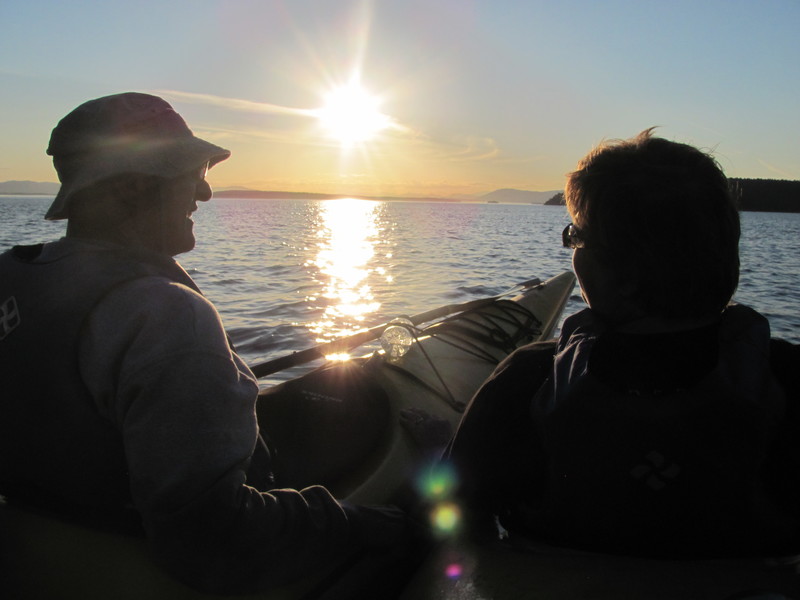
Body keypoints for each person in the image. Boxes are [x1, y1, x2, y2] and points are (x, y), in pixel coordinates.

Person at [0, 92, 411, 594]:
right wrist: (360, 523)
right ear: (132, 186)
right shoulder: (166, 317)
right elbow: (208, 537)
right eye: (192, 174)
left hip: (46, 541)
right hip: (153, 559)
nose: (205, 194)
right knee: (404, 450)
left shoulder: (13, 277)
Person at [446, 128, 800, 558]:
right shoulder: (786, 377)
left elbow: (454, 516)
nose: (572, 252)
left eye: (575, 237)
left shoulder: (528, 380)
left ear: (622, 275)